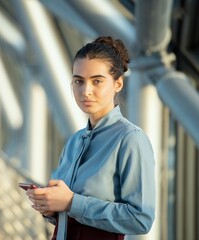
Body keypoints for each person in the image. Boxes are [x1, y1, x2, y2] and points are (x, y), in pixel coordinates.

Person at [26, 36, 156, 240]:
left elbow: (141, 219)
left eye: (97, 81)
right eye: (79, 81)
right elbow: (69, 213)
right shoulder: (74, 141)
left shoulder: (131, 139)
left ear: (118, 83)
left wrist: (71, 202)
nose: (86, 91)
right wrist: (50, 208)